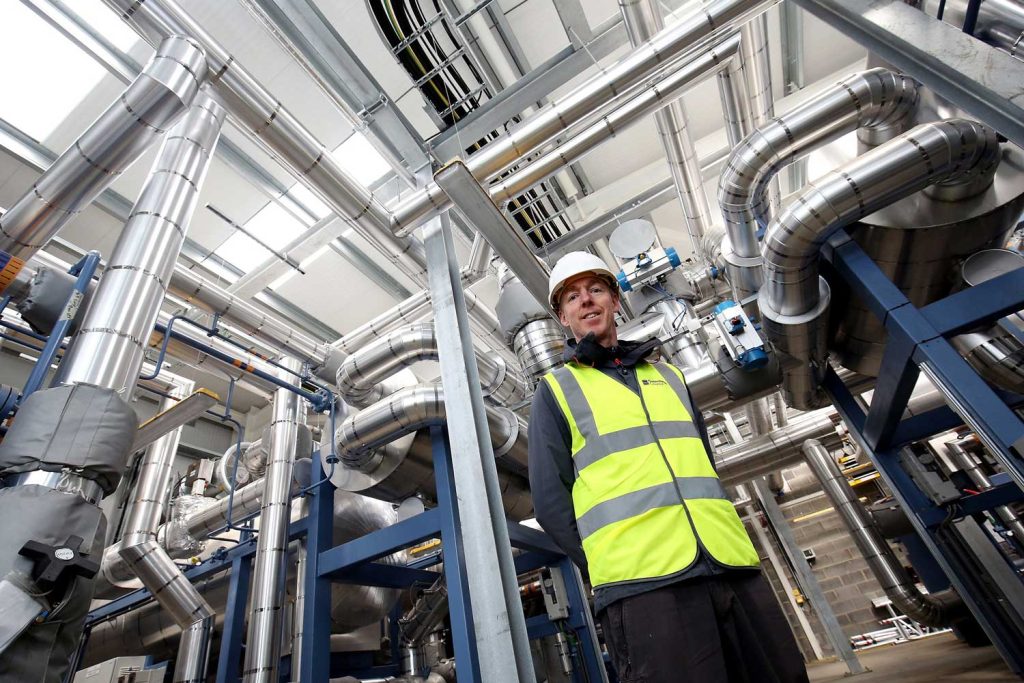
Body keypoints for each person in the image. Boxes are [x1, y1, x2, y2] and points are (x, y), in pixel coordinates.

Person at [528, 251, 809, 683]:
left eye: (596, 289)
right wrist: (609, 562)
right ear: (563, 317)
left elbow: (704, 464)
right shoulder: (556, 391)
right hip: (644, 586)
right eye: (572, 296)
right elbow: (550, 501)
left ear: (615, 302)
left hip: (729, 565)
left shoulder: (672, 378)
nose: (586, 301)